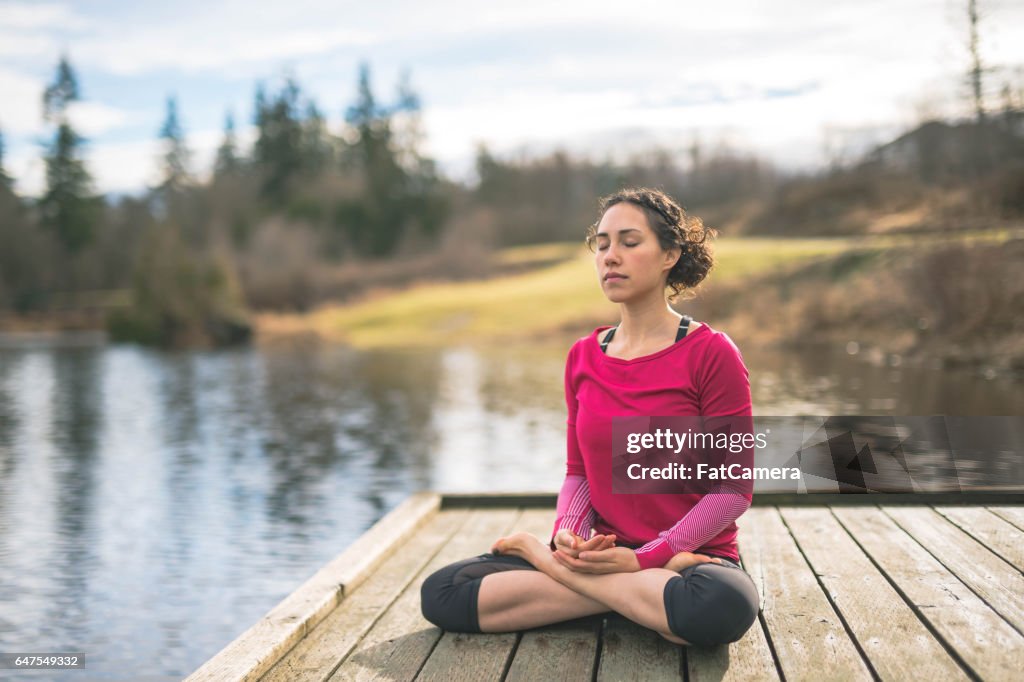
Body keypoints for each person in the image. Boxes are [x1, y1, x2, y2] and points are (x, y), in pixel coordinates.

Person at [420, 187, 759, 647]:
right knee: (442, 593)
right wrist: (568, 537)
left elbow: (733, 489)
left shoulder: (711, 353)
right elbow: (579, 474)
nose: (610, 257)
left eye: (629, 242)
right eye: (601, 245)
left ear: (670, 255)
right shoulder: (583, 357)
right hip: (610, 559)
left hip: (693, 559)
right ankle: (633, 601)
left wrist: (651, 556)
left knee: (721, 606)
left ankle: (553, 568)